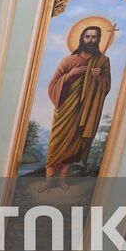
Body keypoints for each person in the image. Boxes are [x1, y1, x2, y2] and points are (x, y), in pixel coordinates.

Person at [43, 23, 111, 189]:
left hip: (85, 112)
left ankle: (61, 180)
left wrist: (98, 77)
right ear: (82, 38)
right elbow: (53, 85)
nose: (90, 40)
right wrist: (70, 76)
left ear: (99, 39)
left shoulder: (102, 61)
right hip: (66, 110)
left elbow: (107, 86)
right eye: (87, 36)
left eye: (94, 37)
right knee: (56, 145)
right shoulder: (69, 60)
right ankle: (48, 183)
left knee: (74, 146)